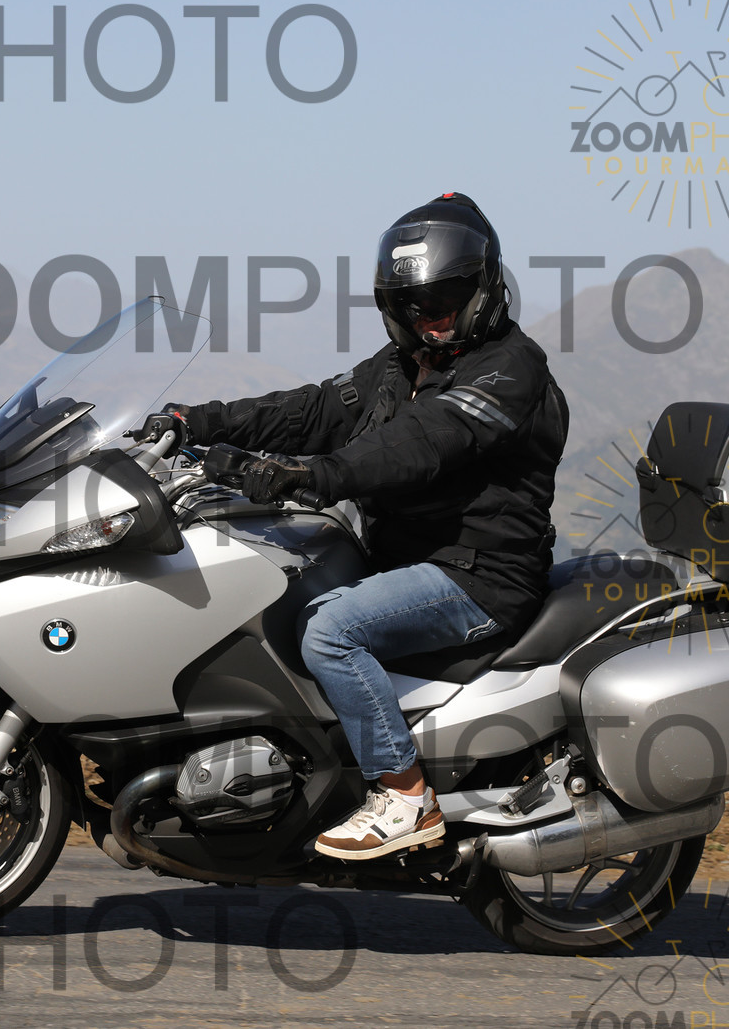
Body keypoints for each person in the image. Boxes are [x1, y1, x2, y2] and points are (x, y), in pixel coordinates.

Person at [138, 192, 568, 860]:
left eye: (442, 302)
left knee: (332, 631)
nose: (427, 319)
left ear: (482, 289)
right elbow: (312, 411)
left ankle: (404, 796)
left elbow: (419, 445)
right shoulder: (403, 365)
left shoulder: (510, 371)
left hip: (478, 576)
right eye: (410, 305)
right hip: (407, 560)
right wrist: (200, 421)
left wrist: (307, 475)